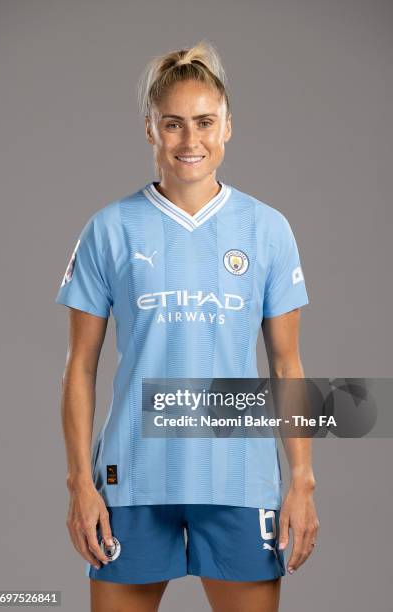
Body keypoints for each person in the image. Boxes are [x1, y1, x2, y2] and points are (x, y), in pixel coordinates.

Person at [55, 40, 319, 612]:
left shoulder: (267, 230)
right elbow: (80, 366)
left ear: (228, 127)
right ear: (150, 129)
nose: (190, 140)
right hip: (133, 482)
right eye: (172, 124)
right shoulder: (110, 229)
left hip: (240, 482)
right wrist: (80, 483)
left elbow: (285, 365)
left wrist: (301, 479)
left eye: (204, 122)